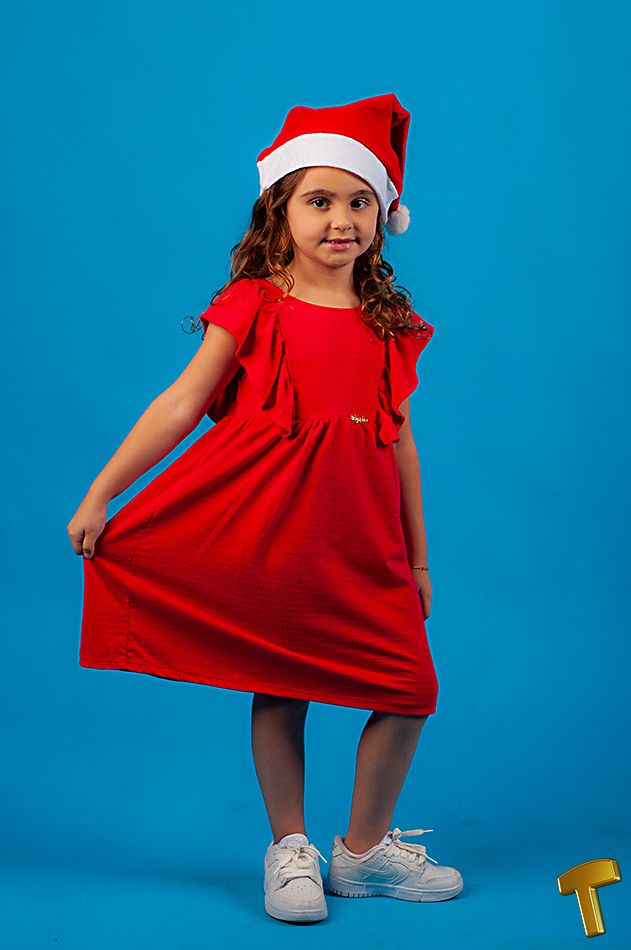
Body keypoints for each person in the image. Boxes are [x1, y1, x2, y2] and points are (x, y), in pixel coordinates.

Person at [67, 94, 463, 924]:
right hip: (269, 534)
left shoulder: (389, 323)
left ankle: (362, 852)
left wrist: (418, 557)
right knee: (281, 683)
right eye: (319, 200)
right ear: (279, 210)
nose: (341, 220)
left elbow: (400, 445)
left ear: (382, 215)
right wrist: (104, 493)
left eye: (359, 202)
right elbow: (182, 403)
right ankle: (290, 848)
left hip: (361, 544)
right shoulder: (253, 303)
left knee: (409, 689)